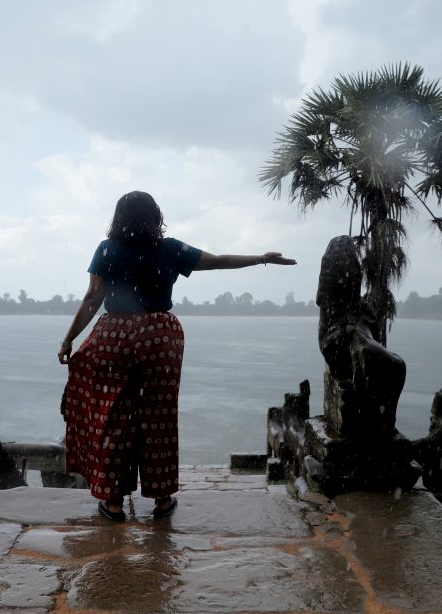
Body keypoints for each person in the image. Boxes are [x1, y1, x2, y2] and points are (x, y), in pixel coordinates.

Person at [57, 191, 295, 521]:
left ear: (118, 218)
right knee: (158, 417)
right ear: (156, 217)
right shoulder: (169, 249)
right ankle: (162, 499)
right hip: (160, 337)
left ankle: (112, 501)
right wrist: (262, 258)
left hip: (113, 337)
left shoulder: (107, 249)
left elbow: (92, 298)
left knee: (112, 416)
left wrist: (69, 340)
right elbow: (220, 261)